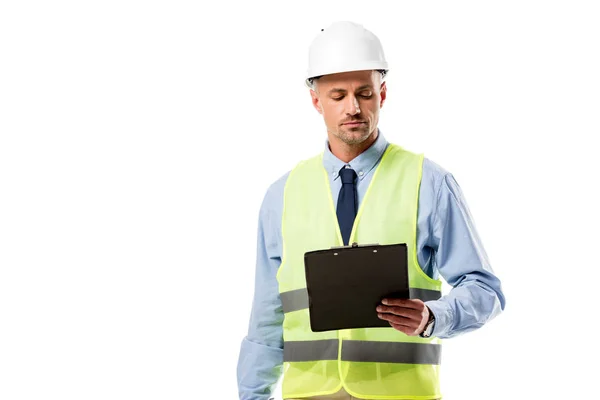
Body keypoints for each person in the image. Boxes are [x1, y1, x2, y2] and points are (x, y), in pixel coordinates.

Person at [236, 21, 506, 400]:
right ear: (316, 101)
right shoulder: (282, 195)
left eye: (364, 93)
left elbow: (485, 290)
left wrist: (433, 318)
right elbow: (266, 318)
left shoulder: (428, 183)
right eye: (338, 95)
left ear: (382, 93)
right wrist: (251, 394)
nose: (353, 107)